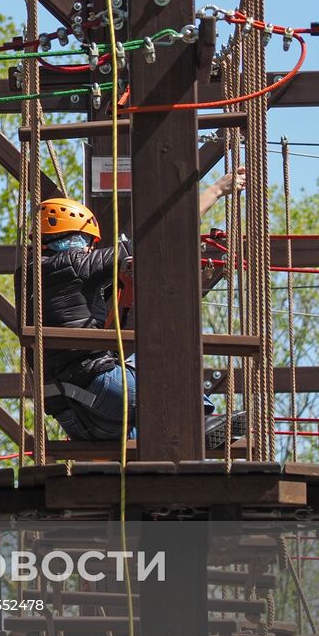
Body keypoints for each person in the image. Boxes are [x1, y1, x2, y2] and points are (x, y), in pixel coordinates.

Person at [32, 168, 247, 447]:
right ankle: (199, 420)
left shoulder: (28, 275)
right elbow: (161, 237)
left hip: (72, 414)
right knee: (169, 359)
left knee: (146, 435)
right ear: (74, 239)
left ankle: (188, 432)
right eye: (88, 244)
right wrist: (216, 190)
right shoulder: (73, 263)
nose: (89, 251)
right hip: (99, 391)